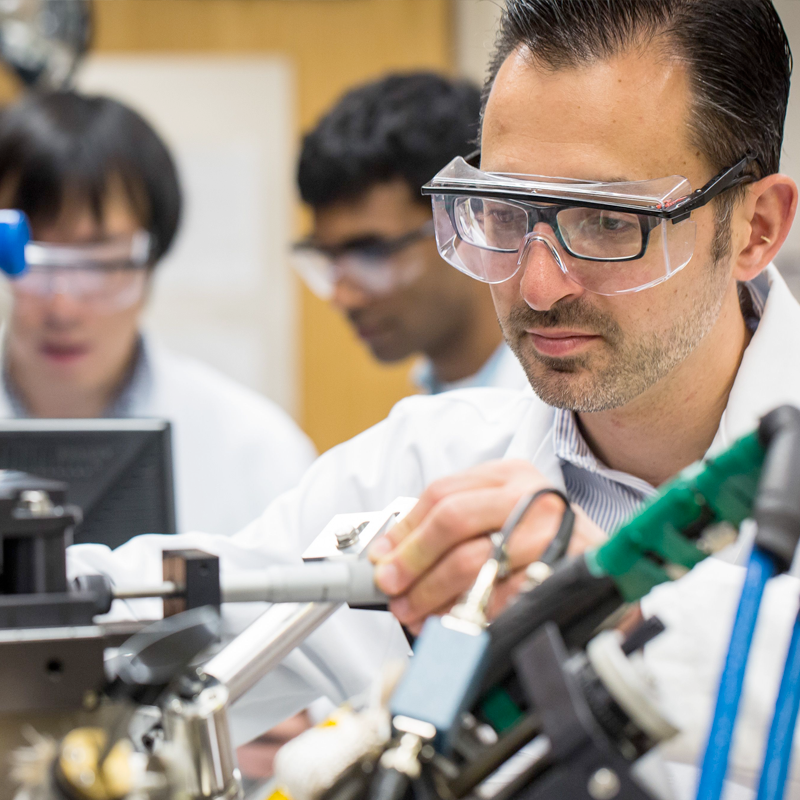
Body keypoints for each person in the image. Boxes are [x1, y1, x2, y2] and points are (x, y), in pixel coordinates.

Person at [69, 0, 800, 789]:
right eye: (504, 211)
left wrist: (615, 611)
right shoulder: (427, 465)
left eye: (605, 222)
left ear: (756, 228)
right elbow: (159, 618)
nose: (538, 283)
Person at [0, 90, 316, 536]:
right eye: (30, 258)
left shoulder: (255, 451)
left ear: (153, 256)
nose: (62, 307)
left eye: (99, 262)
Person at [294, 72, 529, 393]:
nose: (342, 297)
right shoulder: (432, 402)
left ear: (473, 222)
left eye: (370, 253)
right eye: (329, 259)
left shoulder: (565, 408)